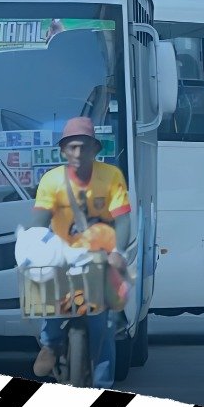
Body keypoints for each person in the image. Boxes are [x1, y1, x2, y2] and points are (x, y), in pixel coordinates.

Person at [30, 117, 131, 387]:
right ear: (63, 151)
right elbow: (40, 221)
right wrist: (34, 247)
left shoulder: (111, 177)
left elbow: (122, 220)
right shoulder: (51, 181)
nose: (77, 153)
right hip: (63, 253)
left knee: (104, 328)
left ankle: (101, 388)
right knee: (49, 296)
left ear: (95, 149)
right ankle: (49, 345)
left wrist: (118, 251)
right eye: (72, 147)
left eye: (83, 147)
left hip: (101, 254)